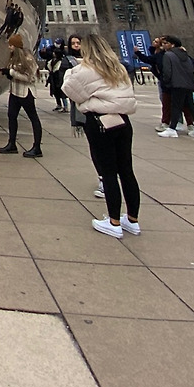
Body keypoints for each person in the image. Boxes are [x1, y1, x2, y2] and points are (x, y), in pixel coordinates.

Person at [62, 34, 140, 237]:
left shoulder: (85, 70)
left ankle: (114, 222)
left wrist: (74, 75)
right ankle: (132, 220)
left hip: (100, 122)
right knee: (126, 171)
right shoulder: (118, 68)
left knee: (108, 173)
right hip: (123, 121)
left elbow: (70, 91)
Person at [0, 33, 42, 158]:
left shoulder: (28, 59)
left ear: (16, 46)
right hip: (15, 92)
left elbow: (30, 78)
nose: (9, 47)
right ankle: (11, 144)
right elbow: (14, 73)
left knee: (33, 118)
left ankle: (37, 147)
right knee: (11, 116)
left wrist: (11, 72)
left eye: (11, 45)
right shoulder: (13, 58)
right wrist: (7, 73)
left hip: (25, 93)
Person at [157, 36, 194, 139]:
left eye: (166, 43)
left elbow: (167, 72)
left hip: (176, 84)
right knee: (191, 107)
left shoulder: (168, 55)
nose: (164, 45)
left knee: (175, 107)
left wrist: (167, 83)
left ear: (172, 45)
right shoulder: (185, 55)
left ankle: (172, 129)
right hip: (188, 84)